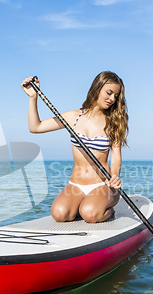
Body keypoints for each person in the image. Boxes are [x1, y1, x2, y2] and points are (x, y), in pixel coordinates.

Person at [21, 71, 128, 223]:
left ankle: (107, 211)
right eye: (109, 93)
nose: (112, 98)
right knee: (59, 214)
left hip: (103, 184)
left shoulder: (113, 123)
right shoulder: (73, 117)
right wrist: (33, 98)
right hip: (76, 184)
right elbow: (35, 127)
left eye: (116, 96)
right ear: (97, 88)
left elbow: (116, 156)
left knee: (89, 214)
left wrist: (115, 176)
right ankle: (82, 205)